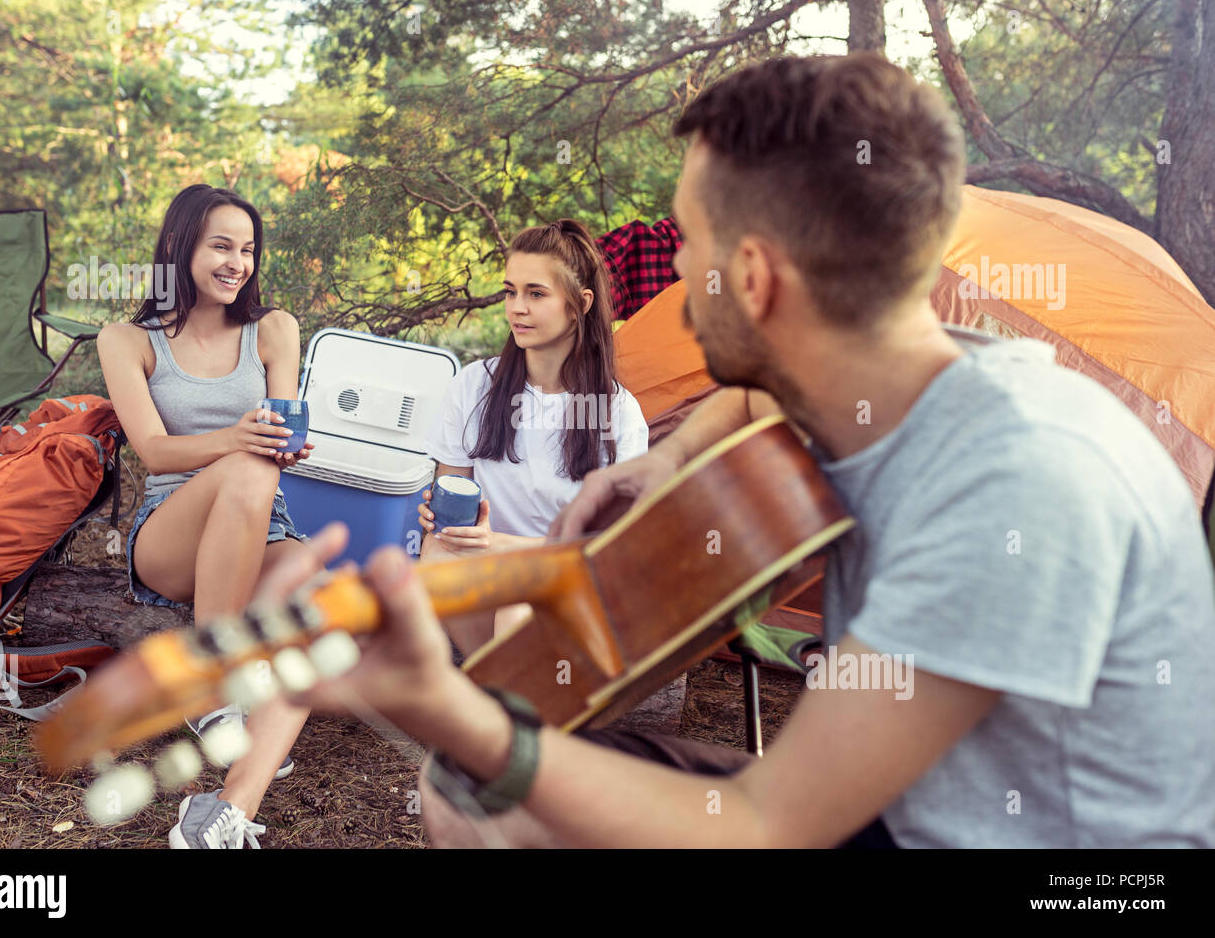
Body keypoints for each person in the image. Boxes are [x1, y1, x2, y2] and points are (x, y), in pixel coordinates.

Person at [255, 53, 1215, 848]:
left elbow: (768, 825)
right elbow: (756, 392)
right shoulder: (908, 369)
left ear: (752, 275)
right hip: (899, 811)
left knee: (483, 762)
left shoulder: (1017, 482)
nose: (670, 270)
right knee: (473, 800)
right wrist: (666, 463)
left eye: (689, 244)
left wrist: (442, 703)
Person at [97, 184, 315, 849]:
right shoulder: (129, 340)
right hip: (172, 533)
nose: (237, 263)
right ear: (179, 246)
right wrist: (241, 443)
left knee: (320, 607)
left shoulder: (273, 329)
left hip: (261, 528)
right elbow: (155, 451)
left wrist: (287, 446)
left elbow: (277, 444)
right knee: (249, 467)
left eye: (247, 250)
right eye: (221, 246)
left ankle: (226, 812)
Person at [416, 219, 648, 655]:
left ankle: (508, 698)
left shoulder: (619, 413)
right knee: (438, 553)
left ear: (580, 304)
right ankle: (496, 686)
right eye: (510, 291)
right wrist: (439, 517)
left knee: (520, 604)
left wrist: (499, 544)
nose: (516, 308)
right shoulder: (474, 385)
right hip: (490, 578)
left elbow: (610, 549)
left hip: (572, 586)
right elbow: (451, 493)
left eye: (535, 294)